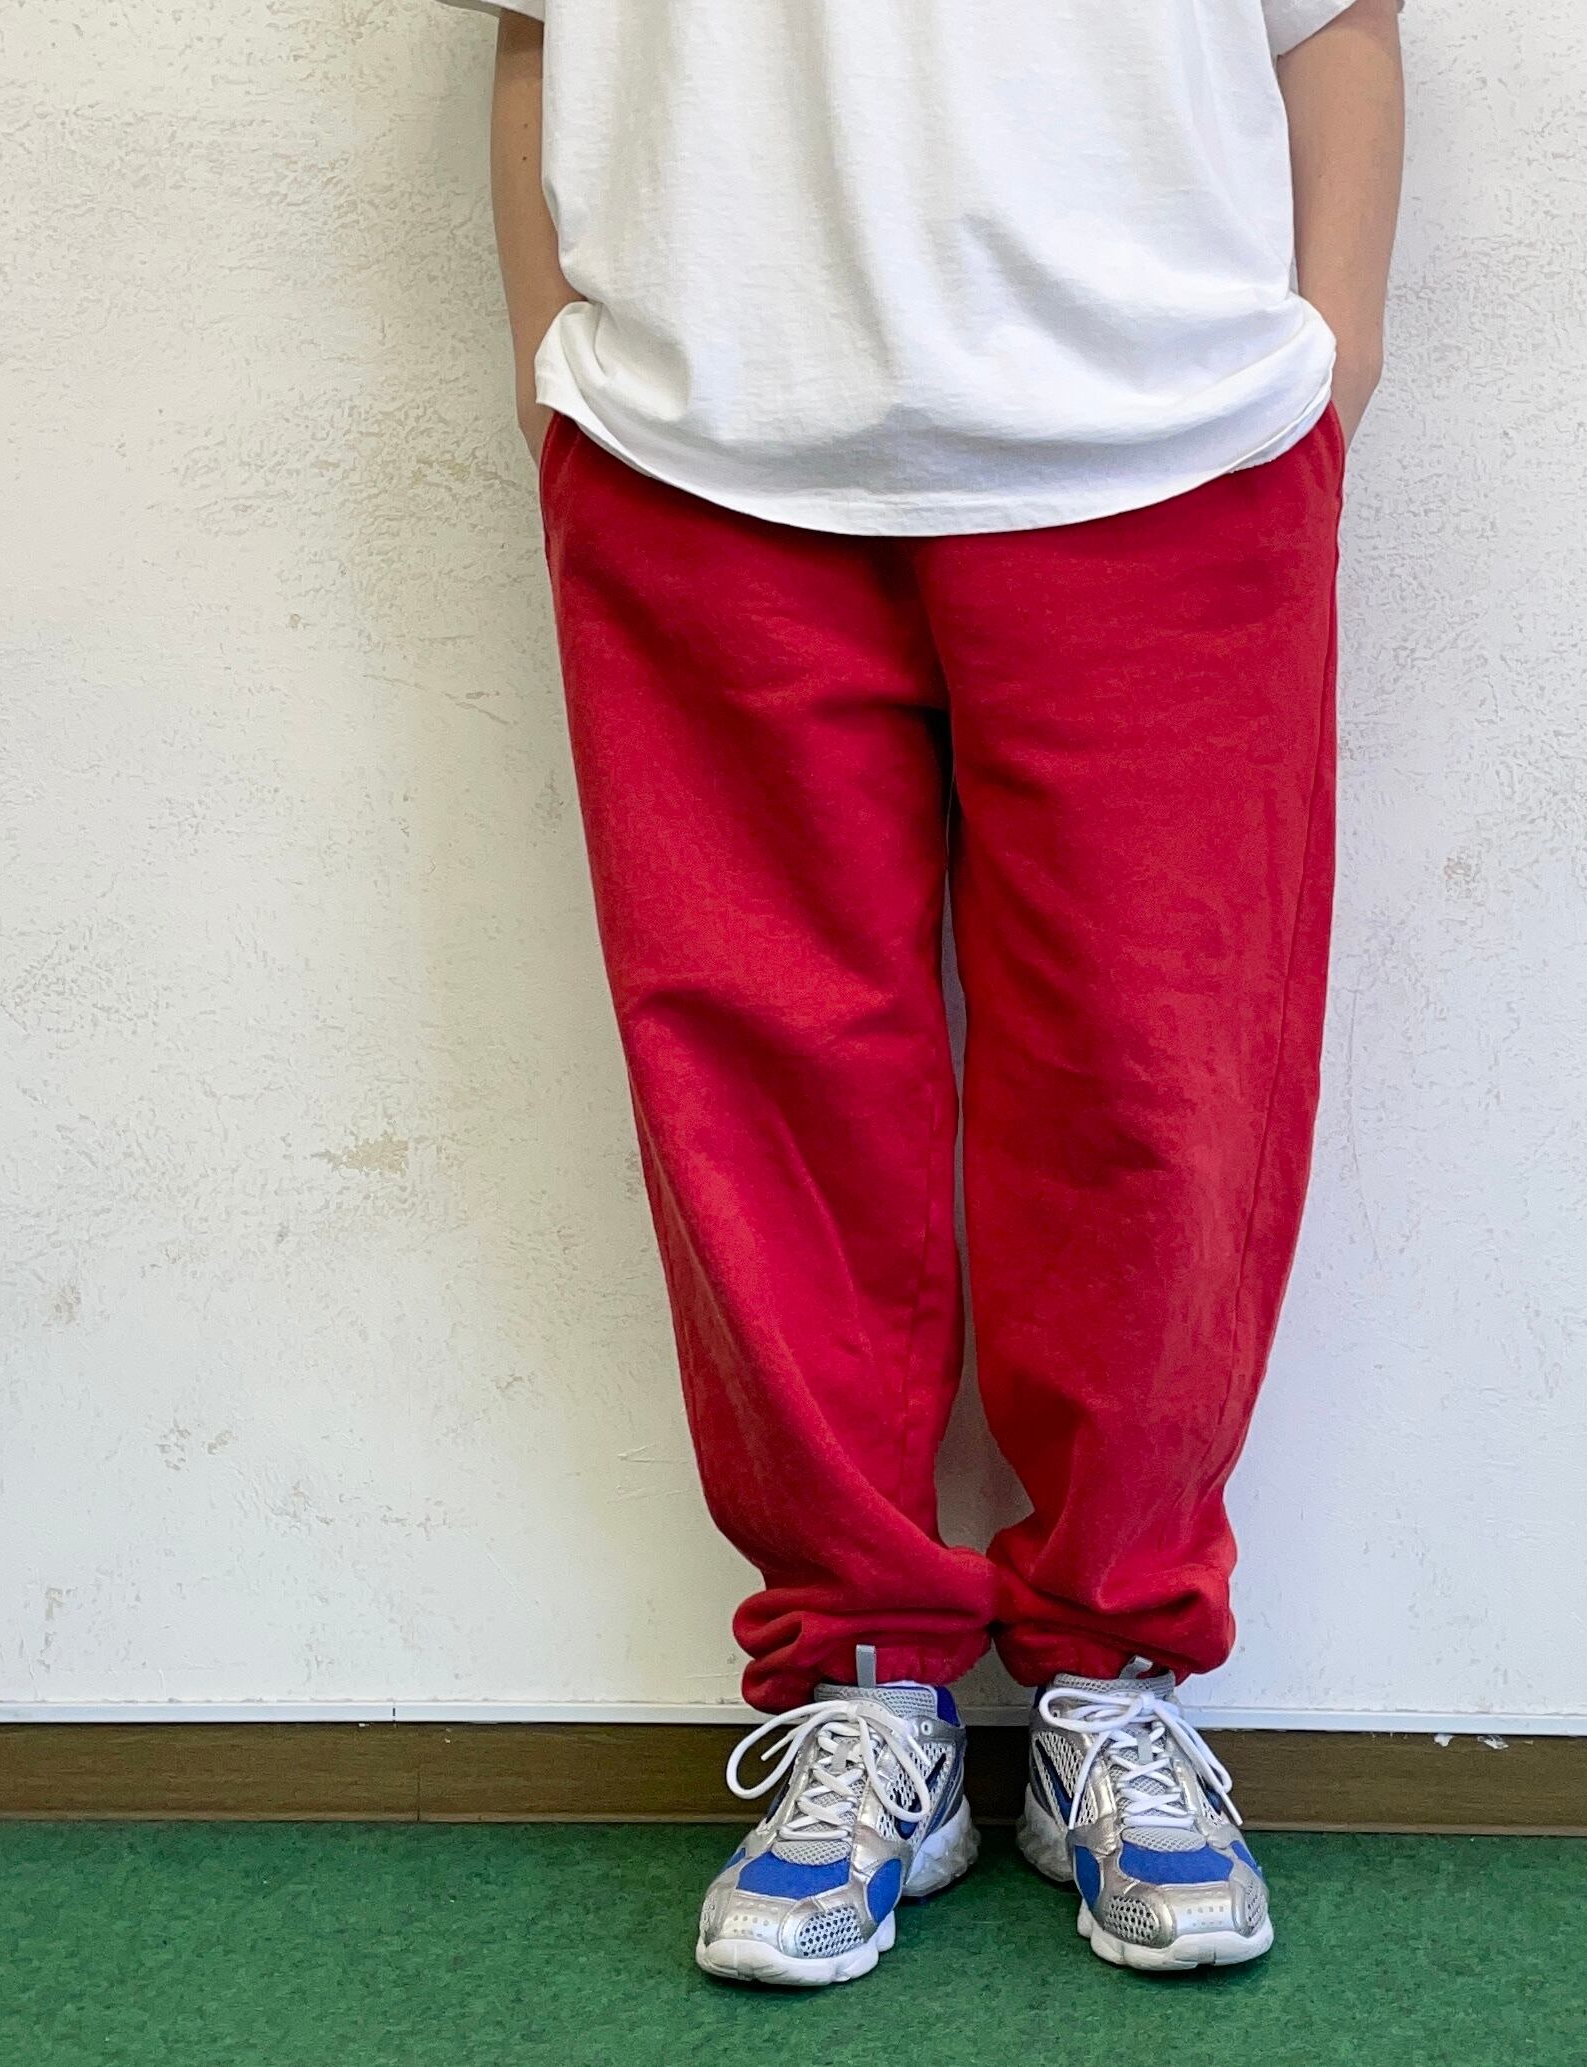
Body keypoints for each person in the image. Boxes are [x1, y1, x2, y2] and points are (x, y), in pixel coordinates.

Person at [431, 0, 1405, 1985]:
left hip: (1170, 434)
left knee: (1164, 1081)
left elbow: (1338, 21)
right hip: (697, 438)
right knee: (757, 1087)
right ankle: (863, 1675)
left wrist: (1329, 368)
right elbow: (534, 32)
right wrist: (557, 378)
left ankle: (1116, 1664)